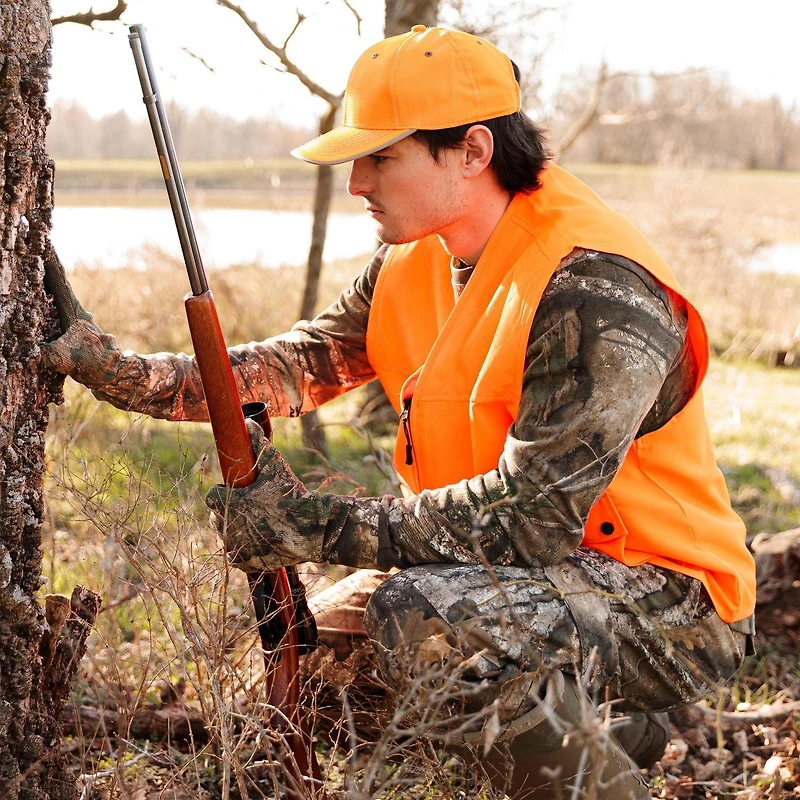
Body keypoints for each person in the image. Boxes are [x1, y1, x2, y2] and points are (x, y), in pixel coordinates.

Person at [43, 26, 756, 799]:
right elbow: (296, 366)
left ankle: (600, 763)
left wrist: (311, 524)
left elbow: (530, 518)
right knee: (320, 657)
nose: (356, 183)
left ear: (474, 151)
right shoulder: (415, 255)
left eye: (381, 157)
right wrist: (115, 372)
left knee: (423, 619)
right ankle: (608, 731)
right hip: (524, 578)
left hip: (669, 602)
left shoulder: (594, 286)